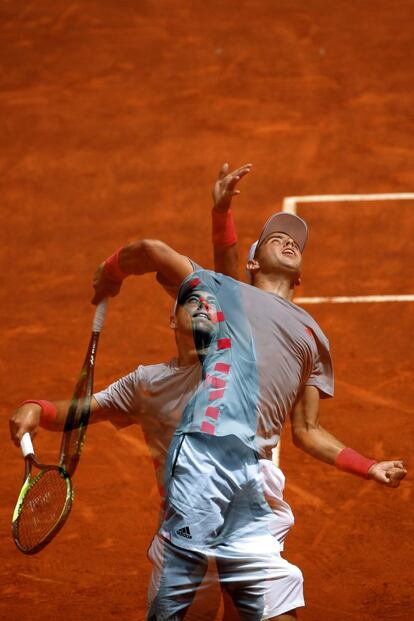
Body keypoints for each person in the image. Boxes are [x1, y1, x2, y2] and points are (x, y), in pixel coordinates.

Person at [88, 197, 406, 621]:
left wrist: (368, 466)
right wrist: (110, 272)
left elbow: (308, 429)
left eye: (295, 242)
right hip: (203, 465)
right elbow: (152, 250)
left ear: (301, 276)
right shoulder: (225, 297)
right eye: (275, 238)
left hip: (255, 480)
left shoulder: (314, 336)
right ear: (252, 265)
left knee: (267, 607)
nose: (288, 241)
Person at [9, 164, 301, 620]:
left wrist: (220, 212)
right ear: (173, 320)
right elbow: (84, 411)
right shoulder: (144, 385)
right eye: (194, 304)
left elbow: (211, 266)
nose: (208, 308)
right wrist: (37, 408)